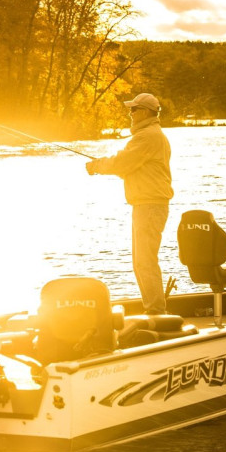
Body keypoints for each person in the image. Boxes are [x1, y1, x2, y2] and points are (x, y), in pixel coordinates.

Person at [85, 93, 173, 314]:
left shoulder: (146, 137)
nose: (130, 114)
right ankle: (153, 308)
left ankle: (155, 310)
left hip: (150, 206)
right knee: (141, 261)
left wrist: (97, 166)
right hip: (146, 204)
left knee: (145, 261)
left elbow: (122, 163)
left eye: (133, 110)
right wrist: (106, 165)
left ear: (144, 112)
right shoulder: (150, 136)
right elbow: (129, 166)